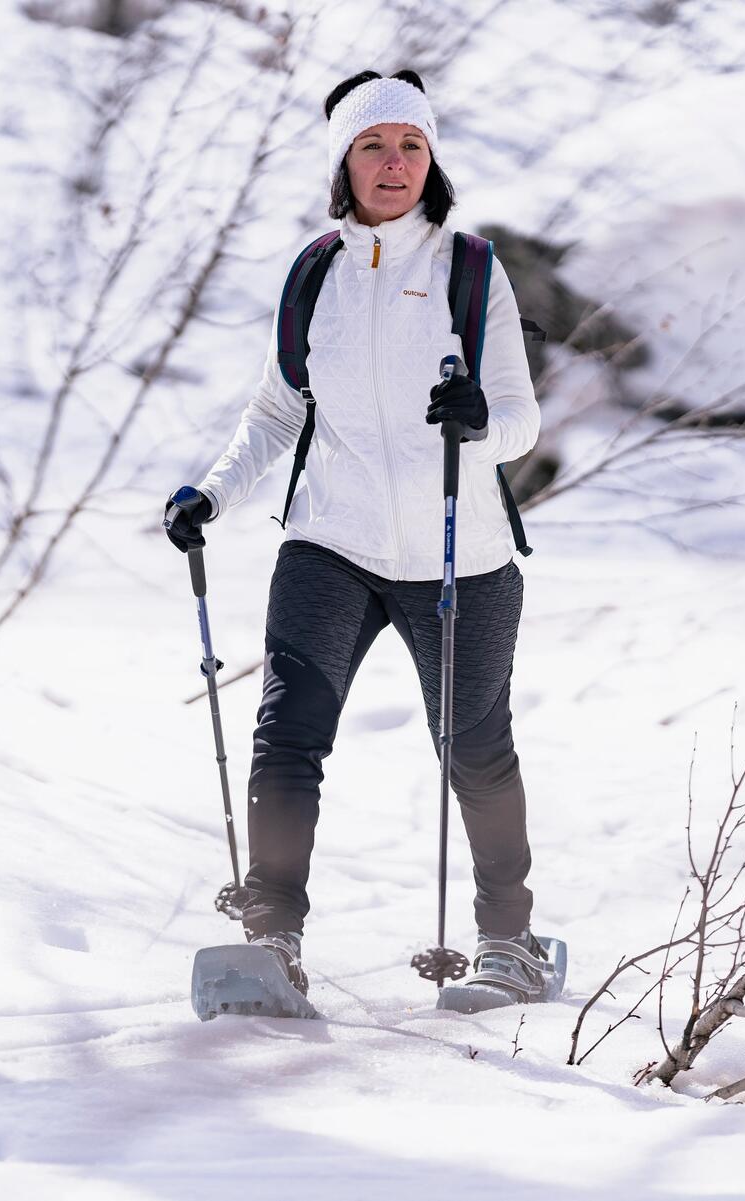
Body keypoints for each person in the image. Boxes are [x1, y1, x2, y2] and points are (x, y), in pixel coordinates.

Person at [164, 69, 547, 1004]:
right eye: (374, 145)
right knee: (287, 732)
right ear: (344, 160)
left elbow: (521, 422)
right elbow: (276, 407)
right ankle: (272, 936)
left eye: (411, 145)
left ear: (431, 159)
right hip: (329, 540)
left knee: (473, 747)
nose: (394, 163)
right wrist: (212, 495)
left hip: (460, 552)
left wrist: (475, 419)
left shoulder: (470, 268)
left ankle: (511, 939)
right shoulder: (315, 272)